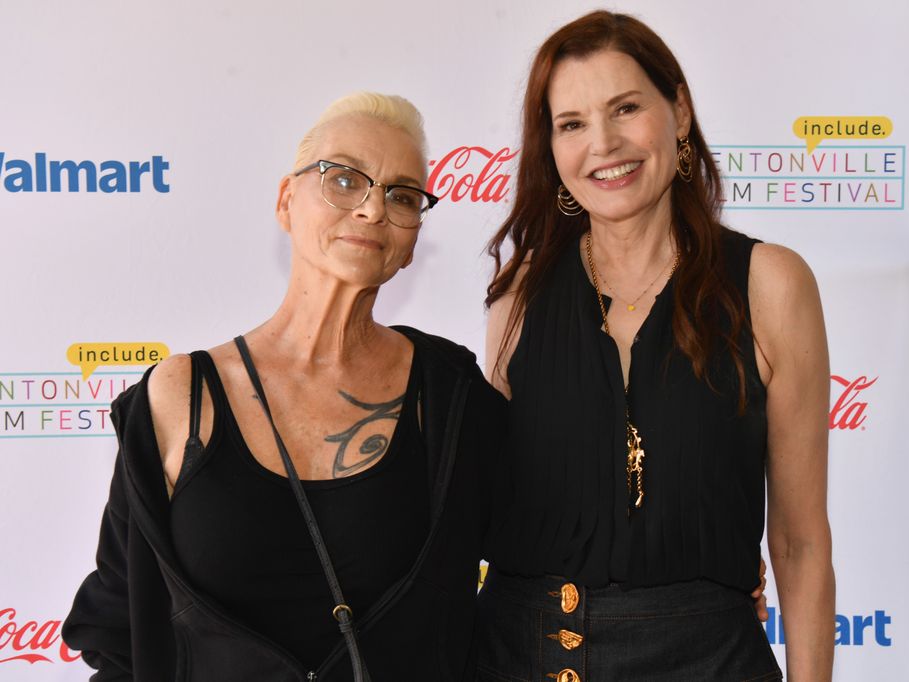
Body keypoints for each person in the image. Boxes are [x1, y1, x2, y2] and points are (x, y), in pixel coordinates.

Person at [62, 92, 506, 681]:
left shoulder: (449, 393)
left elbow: (541, 563)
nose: (373, 209)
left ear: (414, 234)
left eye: (401, 195)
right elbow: (119, 633)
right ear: (286, 200)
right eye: (344, 180)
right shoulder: (178, 396)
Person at [478, 11, 835, 682]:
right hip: (518, 657)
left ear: (679, 112)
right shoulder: (519, 293)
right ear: (550, 148)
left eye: (626, 108)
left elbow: (800, 541)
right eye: (572, 123)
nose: (603, 144)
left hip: (709, 661)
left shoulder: (770, 285)